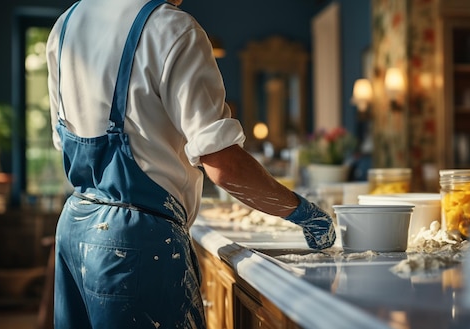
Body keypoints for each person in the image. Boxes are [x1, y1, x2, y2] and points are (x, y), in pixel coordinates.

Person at [46, 0, 336, 328]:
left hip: (75, 226)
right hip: (135, 242)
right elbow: (223, 164)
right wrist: (303, 212)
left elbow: (64, 141)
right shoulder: (171, 27)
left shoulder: (65, 25)